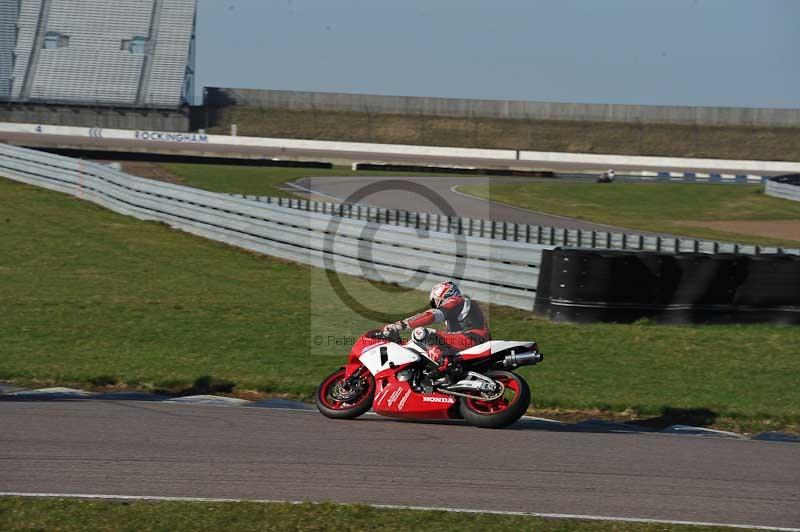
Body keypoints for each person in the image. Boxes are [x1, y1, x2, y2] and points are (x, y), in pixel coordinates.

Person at [382, 281, 490, 377]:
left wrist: (402, 324)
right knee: (422, 342)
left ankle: (446, 364)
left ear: (444, 295)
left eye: (434, 302)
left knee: (420, 333)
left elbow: (431, 316)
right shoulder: (459, 312)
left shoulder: (457, 301)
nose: (435, 306)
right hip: (472, 339)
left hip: (473, 338)